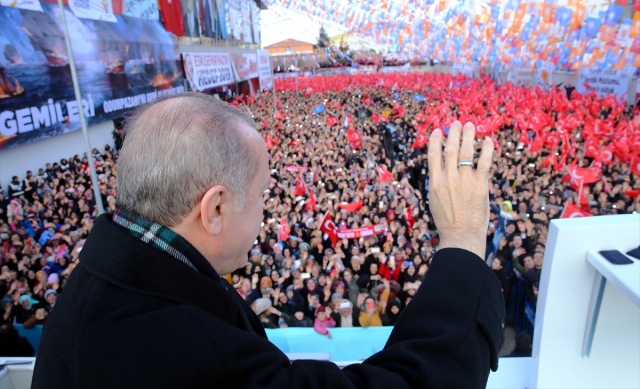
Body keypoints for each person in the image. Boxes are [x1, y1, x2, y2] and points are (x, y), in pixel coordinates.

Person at [32, 93, 504, 388]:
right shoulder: (178, 349)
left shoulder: (105, 286)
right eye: (261, 194)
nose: (265, 210)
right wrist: (462, 239)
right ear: (214, 208)